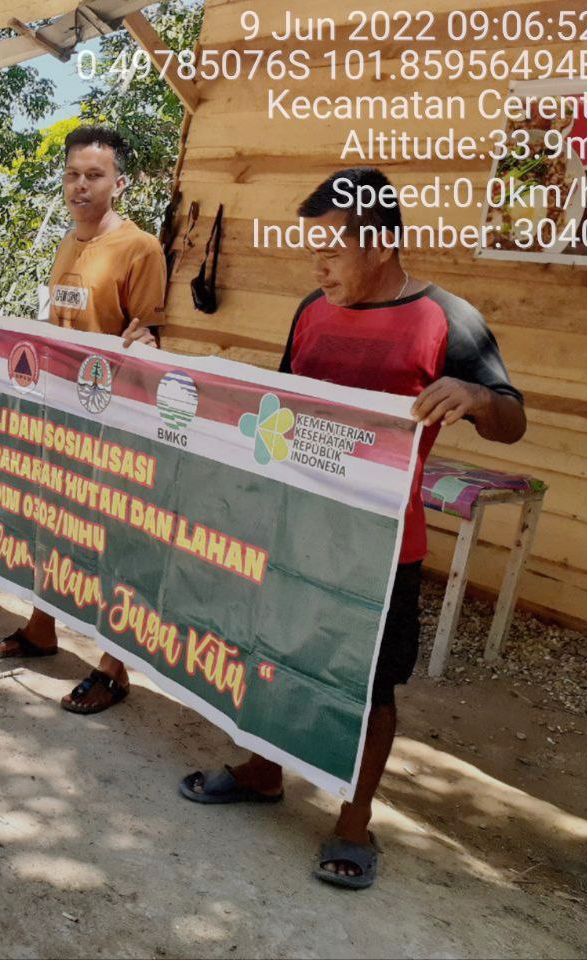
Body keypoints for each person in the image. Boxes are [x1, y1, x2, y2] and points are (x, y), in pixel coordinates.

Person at [178, 167, 527, 890]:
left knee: (370, 685)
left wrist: (473, 395)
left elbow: (513, 421)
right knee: (271, 651)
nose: (318, 265)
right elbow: (281, 404)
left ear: (382, 244)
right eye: (313, 250)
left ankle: (353, 820)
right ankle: (263, 769)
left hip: (381, 546)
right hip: (296, 526)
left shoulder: (447, 321)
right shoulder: (311, 310)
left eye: (331, 249)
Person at [0, 126, 167, 715]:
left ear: (119, 183)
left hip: (112, 425)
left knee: (111, 545)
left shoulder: (142, 250)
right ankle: (42, 629)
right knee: (52, 526)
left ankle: (114, 668)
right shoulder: (67, 243)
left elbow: (155, 338)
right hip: (58, 416)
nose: (81, 186)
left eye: (95, 176)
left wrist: (148, 339)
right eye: (73, 175)